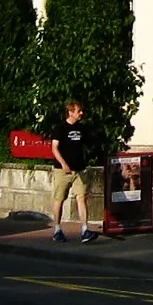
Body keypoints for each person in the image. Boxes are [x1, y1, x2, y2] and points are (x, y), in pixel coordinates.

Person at [51, 98, 96, 242]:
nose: (81, 113)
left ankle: (84, 230)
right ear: (70, 112)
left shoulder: (81, 128)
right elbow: (54, 148)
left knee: (81, 197)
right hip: (63, 170)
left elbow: (87, 145)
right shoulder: (60, 128)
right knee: (59, 198)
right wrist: (63, 164)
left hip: (79, 169)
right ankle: (57, 229)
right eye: (78, 111)